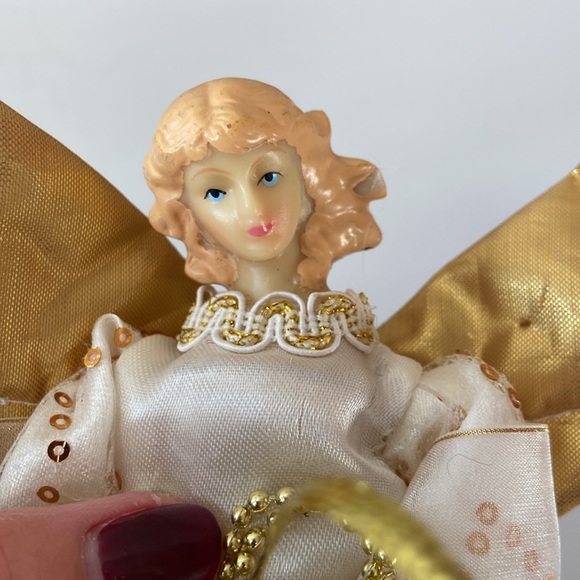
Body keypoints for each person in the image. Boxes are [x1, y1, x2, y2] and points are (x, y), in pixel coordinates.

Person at [0, 79, 559, 579]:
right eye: (216, 192)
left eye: (269, 176)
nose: (253, 207)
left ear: (308, 181)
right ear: (190, 217)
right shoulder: (135, 373)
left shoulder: (394, 384)